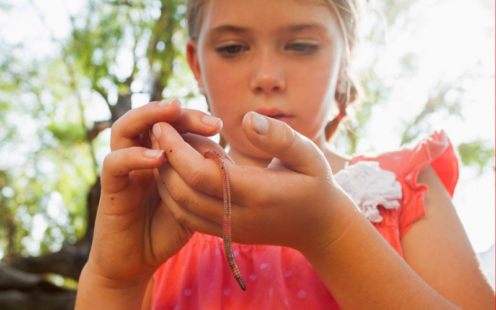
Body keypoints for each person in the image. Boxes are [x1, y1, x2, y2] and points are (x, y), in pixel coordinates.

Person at [74, 0, 495, 309]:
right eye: (233, 48)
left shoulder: (402, 188)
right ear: (196, 64)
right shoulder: (165, 214)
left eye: (301, 46)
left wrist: (330, 234)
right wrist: (114, 279)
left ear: (345, 57)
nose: (267, 78)